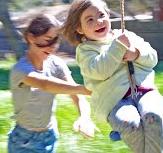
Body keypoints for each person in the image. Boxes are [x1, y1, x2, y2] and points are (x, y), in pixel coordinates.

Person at [62, 0, 163, 153]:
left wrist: (136, 54)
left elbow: (153, 58)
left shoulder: (126, 36)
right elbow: (99, 71)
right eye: (89, 19)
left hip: (145, 92)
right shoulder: (85, 50)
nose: (98, 21)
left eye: (101, 15)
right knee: (130, 123)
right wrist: (117, 47)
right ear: (79, 28)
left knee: (153, 115)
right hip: (115, 102)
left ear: (108, 15)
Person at [8, 14, 99, 153]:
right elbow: (44, 84)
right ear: (31, 38)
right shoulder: (20, 69)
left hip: (49, 136)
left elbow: (78, 97)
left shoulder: (56, 64)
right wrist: (86, 89)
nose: (52, 47)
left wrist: (85, 118)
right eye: (48, 40)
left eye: (56, 41)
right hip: (24, 141)